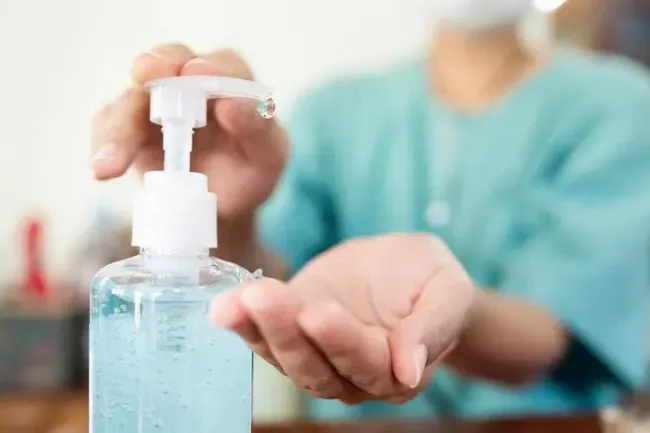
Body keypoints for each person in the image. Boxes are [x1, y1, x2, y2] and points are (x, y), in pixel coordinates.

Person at [91, 0, 650, 420]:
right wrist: (228, 216)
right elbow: (268, 285)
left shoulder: (621, 107)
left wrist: (442, 312)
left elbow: (560, 328)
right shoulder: (334, 111)